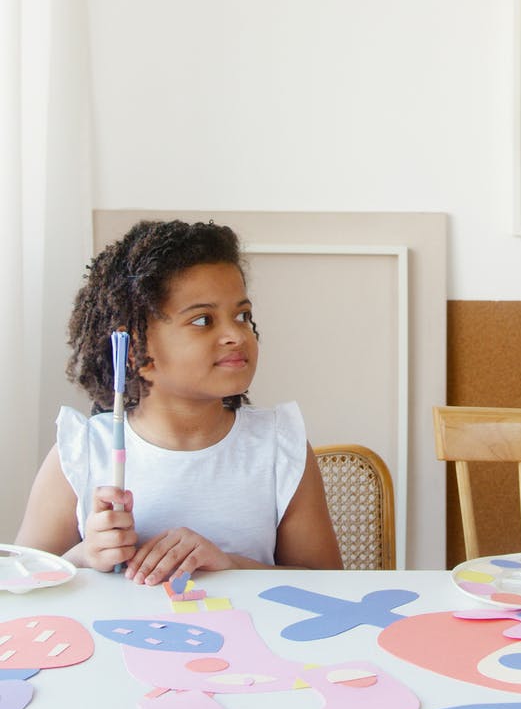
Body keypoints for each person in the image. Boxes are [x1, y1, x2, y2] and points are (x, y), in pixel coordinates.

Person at [16, 219, 342, 582]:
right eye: (203, 320)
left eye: (242, 316)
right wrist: (85, 556)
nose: (236, 335)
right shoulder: (81, 453)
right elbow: (21, 582)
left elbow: (329, 585)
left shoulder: (279, 447)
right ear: (136, 350)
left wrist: (231, 566)